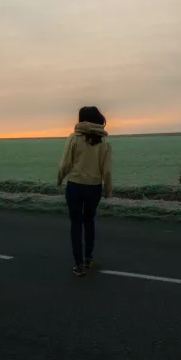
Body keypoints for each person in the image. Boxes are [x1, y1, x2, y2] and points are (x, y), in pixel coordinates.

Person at [57, 106, 113, 276]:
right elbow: (107, 170)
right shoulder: (104, 142)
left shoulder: (74, 138)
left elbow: (65, 164)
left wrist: (60, 179)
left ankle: (79, 264)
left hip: (75, 185)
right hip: (94, 187)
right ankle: (88, 258)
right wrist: (108, 190)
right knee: (89, 221)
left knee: (76, 224)